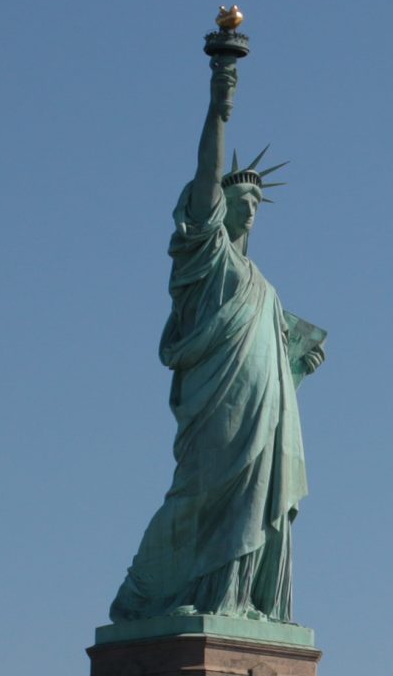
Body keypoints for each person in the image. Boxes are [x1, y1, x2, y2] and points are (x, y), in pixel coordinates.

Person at [109, 32, 326, 626]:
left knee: (254, 502)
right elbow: (208, 174)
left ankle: (236, 600)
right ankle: (152, 597)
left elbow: (273, 365)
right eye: (240, 200)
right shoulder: (206, 259)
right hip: (218, 410)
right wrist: (220, 97)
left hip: (264, 415)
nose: (249, 208)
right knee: (200, 495)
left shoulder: (265, 287)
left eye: (257, 203)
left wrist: (297, 368)